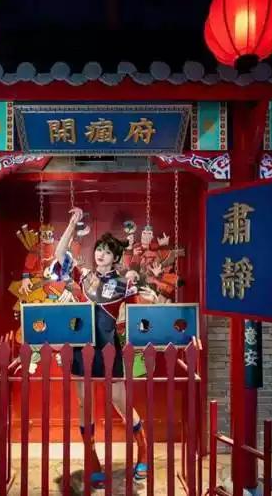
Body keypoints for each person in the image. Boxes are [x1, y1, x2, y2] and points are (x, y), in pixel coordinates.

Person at [55, 208, 156, 485]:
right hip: (82, 349)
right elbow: (60, 254)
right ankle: (92, 458)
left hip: (109, 348)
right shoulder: (84, 276)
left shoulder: (126, 284)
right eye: (99, 249)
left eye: (107, 251)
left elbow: (138, 318)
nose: (100, 254)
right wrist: (72, 224)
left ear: (116, 258)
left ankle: (143, 449)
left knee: (121, 401)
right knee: (84, 403)